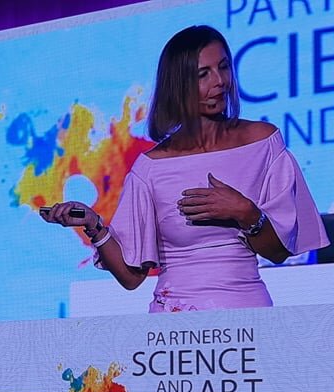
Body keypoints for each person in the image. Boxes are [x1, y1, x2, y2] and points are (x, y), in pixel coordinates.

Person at [41, 24, 329, 313]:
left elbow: (278, 252)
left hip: (246, 314)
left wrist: (244, 211)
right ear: (178, 85)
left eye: (223, 67)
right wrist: (93, 224)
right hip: (174, 322)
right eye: (203, 74)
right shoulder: (150, 168)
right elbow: (131, 277)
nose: (220, 82)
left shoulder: (263, 143)